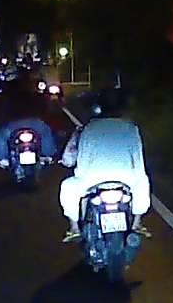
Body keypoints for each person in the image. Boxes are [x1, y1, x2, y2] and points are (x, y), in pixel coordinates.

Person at [58, 89, 151, 242]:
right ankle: (137, 223)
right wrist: (137, 178)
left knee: (68, 186)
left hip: (91, 180)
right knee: (143, 181)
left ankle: (74, 228)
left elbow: (81, 159)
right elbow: (138, 160)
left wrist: (81, 178)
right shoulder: (131, 128)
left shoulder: (88, 128)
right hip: (126, 179)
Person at [0, 86, 59, 167]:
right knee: (46, 131)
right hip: (34, 123)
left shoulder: (9, 99)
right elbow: (43, 110)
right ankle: (48, 154)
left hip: (14, 124)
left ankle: (1, 158)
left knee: (0, 134)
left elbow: (3, 114)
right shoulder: (34, 97)